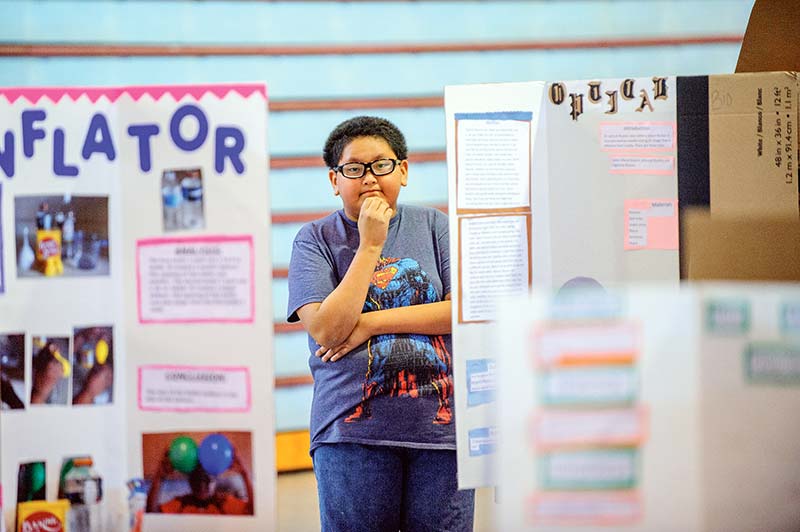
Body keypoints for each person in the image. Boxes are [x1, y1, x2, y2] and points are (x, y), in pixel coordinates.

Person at [287, 116, 474, 531]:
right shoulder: (314, 239)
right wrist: (371, 243)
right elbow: (327, 330)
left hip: (442, 432)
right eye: (355, 169)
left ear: (403, 170)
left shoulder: (435, 226)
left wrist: (370, 324)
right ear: (335, 180)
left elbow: (462, 312)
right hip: (352, 433)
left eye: (382, 165)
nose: (369, 178)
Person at [145, 446, 254, 515]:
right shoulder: (182, 503)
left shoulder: (224, 502)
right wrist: (159, 477)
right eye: (196, 479)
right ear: (189, 481)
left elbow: (254, 511)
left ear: (215, 480)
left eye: (207, 479)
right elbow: (152, 514)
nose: (201, 486)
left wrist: (244, 474)